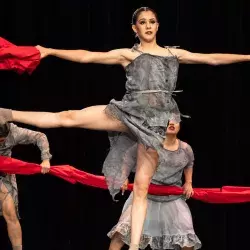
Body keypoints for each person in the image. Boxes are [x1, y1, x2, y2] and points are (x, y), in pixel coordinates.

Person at [1, 6, 250, 249]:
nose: (148, 26)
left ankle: (133, 246)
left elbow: (213, 59)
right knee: (69, 116)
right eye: (143, 22)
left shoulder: (174, 54)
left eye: (152, 21)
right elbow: (88, 56)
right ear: (135, 28)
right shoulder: (128, 54)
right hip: (127, 112)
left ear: (158, 26)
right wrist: (50, 51)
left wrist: (247, 57)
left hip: (154, 125)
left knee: (141, 187)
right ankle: (7, 113)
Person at [108, 121, 201, 250]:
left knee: (186, 242)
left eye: (175, 120)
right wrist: (123, 176)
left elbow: (189, 164)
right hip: (144, 197)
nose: (171, 123)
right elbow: (129, 156)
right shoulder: (149, 144)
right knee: (120, 235)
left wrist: (188, 182)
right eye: (168, 120)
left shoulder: (185, 149)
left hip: (171, 200)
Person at [0, 123, 52, 250]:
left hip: (4, 172)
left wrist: (45, 159)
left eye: (2, 140)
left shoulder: (14, 132)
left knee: (10, 212)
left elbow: (40, 136)